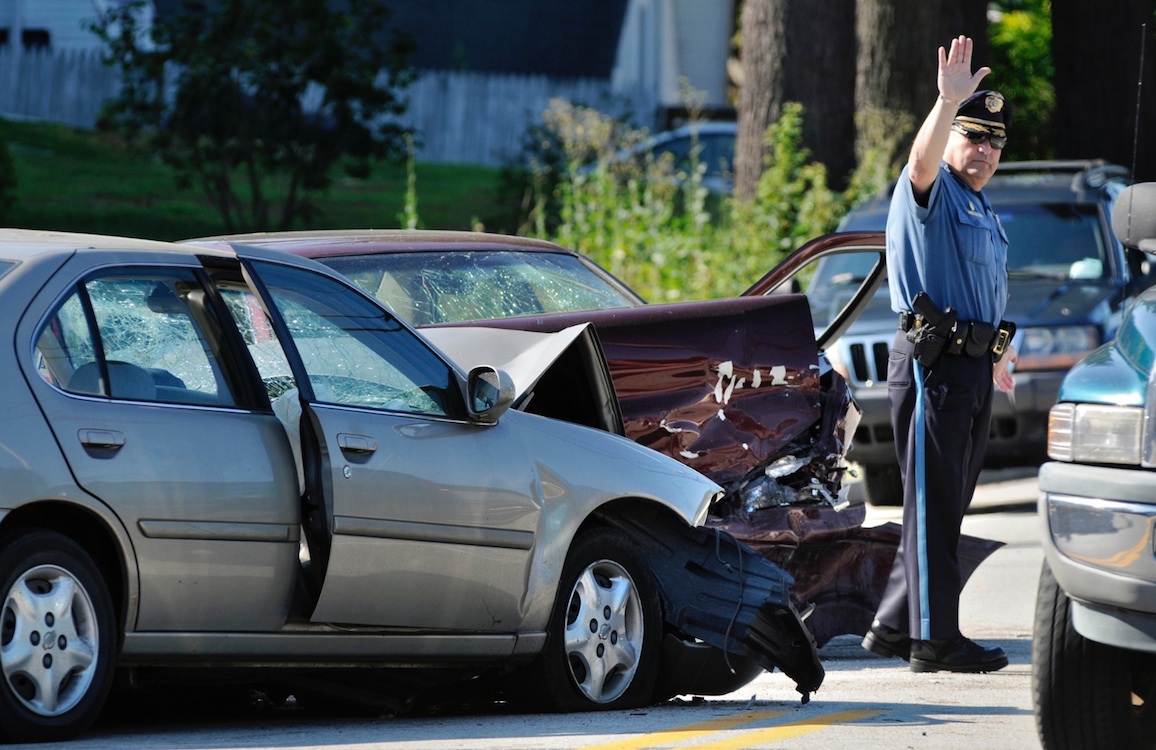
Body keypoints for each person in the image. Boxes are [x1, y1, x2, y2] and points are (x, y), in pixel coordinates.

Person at [860, 35, 1016, 673]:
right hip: (934, 366)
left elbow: (983, 287)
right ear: (953, 135)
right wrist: (945, 103)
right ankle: (935, 641)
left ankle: (894, 627)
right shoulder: (933, 191)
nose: (982, 150)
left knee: (945, 503)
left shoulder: (979, 204)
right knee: (931, 503)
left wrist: (998, 354)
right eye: (972, 135)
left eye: (993, 141)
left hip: (971, 366)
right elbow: (921, 163)